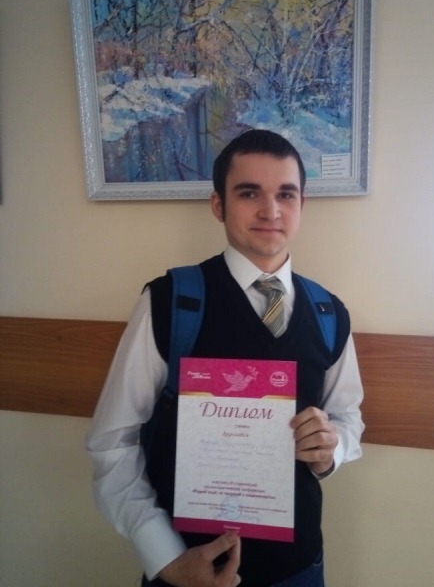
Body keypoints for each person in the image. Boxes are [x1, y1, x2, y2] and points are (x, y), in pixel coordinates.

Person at [86, 129, 364, 587]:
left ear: (302, 205)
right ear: (218, 205)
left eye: (286, 194)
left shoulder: (328, 312)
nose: (271, 211)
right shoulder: (171, 302)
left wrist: (330, 450)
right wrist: (164, 557)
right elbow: (112, 441)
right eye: (249, 193)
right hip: (188, 568)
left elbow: (348, 417)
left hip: (299, 568)